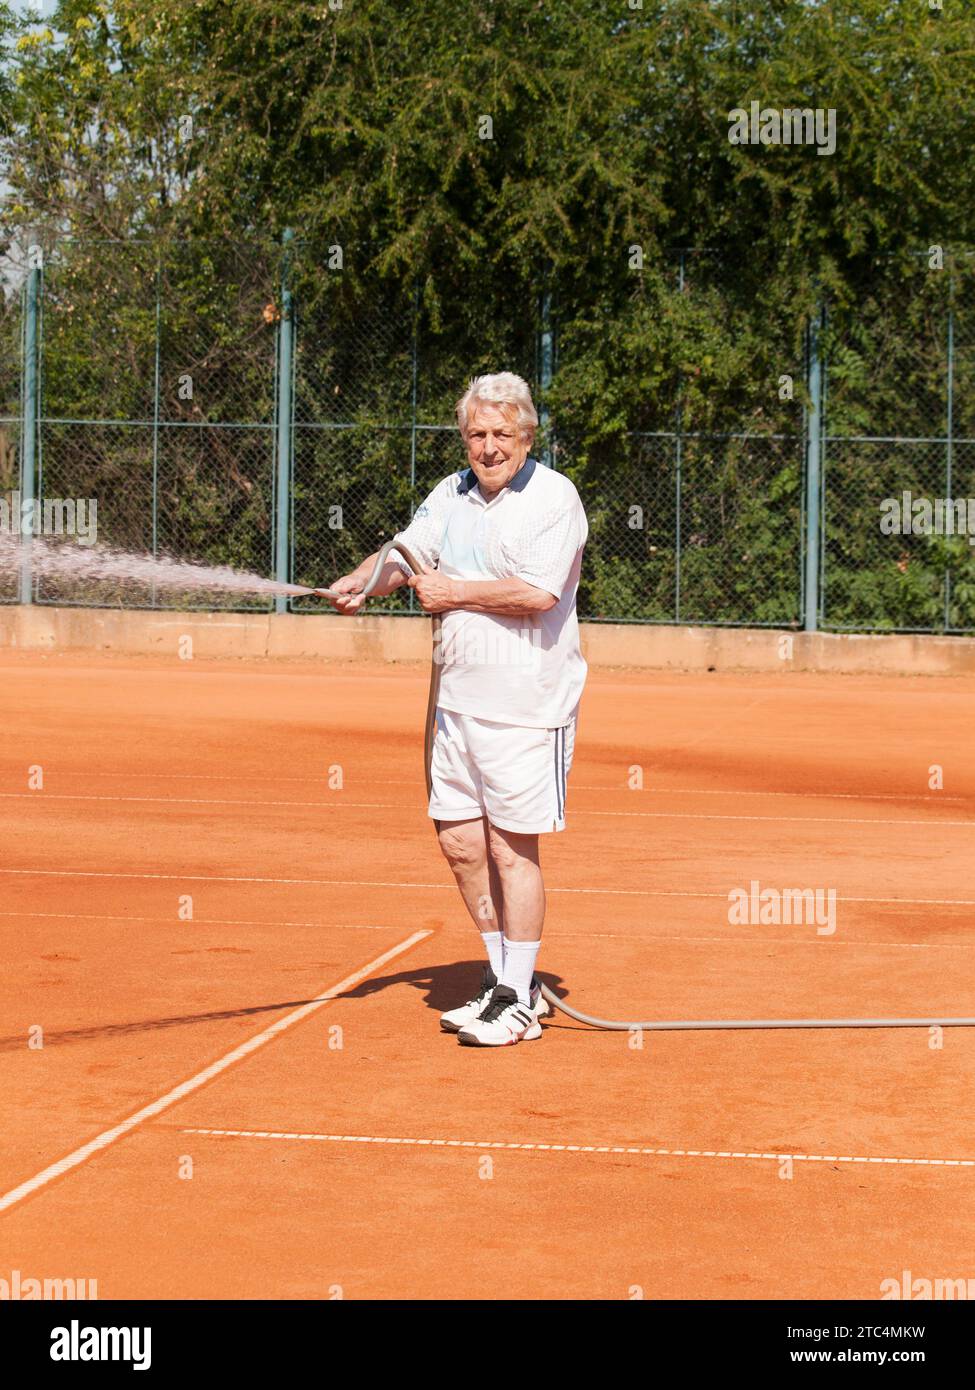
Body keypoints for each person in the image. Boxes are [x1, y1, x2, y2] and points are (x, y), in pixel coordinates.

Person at [328, 372, 588, 1047]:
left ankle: (520, 997)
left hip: (526, 705)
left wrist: (454, 592)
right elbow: (406, 555)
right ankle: (503, 980)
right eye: (476, 434)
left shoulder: (554, 498)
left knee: (509, 848)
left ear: (526, 435)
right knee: (459, 842)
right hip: (455, 704)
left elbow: (537, 593)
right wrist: (366, 579)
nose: (488, 446)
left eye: (502, 433)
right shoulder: (451, 493)